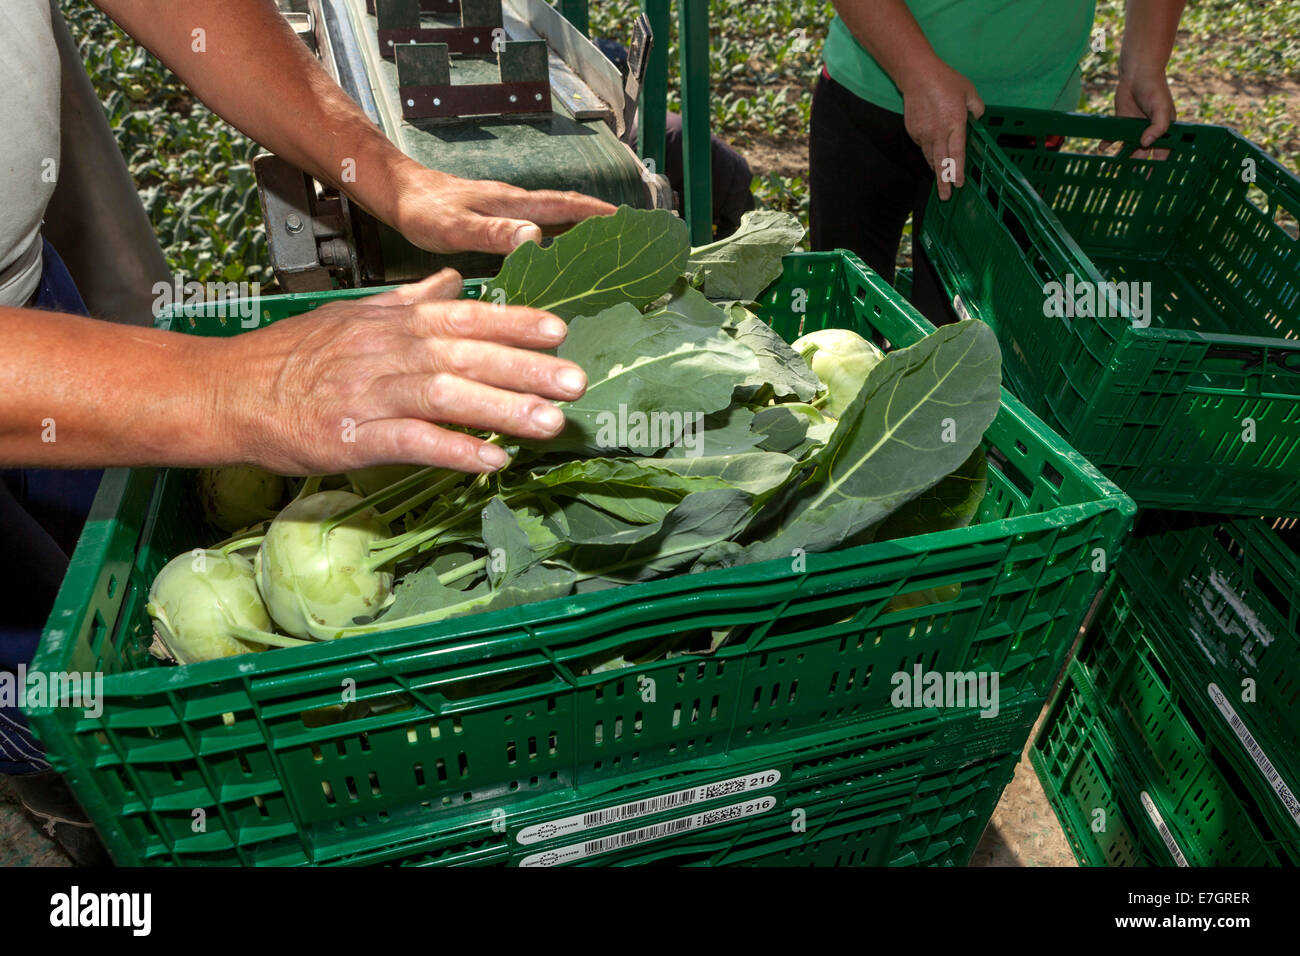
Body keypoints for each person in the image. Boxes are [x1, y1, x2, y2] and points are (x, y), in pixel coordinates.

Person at [0, 0, 616, 863]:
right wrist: (229, 385)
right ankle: (64, 798)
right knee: (37, 691)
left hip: (32, 316)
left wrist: (386, 171)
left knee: (78, 615)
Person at [809, 0, 1186, 328]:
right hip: (866, 96)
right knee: (841, 315)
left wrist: (1143, 62)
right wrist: (916, 73)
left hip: (1018, 122)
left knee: (955, 338)